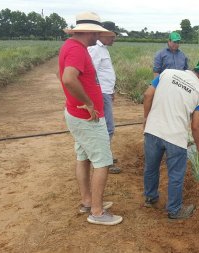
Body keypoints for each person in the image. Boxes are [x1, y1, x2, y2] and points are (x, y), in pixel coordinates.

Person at [59, 12, 123, 225]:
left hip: (78, 114)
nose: (99, 35)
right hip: (86, 117)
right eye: (97, 31)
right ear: (88, 31)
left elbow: (63, 76)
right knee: (103, 161)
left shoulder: (72, 47)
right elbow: (68, 78)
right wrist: (88, 102)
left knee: (83, 157)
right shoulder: (77, 50)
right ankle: (96, 212)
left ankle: (88, 201)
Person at [143, 61, 199, 219]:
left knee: (151, 166)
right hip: (175, 137)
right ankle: (174, 210)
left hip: (153, 129)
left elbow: (148, 95)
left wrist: (146, 118)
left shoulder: (166, 73)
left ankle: (150, 197)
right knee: (176, 174)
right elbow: (196, 126)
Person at [87, 21, 121, 174]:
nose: (114, 38)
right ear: (102, 33)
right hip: (100, 94)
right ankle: (103, 161)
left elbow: (102, 73)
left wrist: (110, 90)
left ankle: (104, 157)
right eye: (112, 35)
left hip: (105, 92)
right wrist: (98, 95)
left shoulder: (103, 49)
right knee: (107, 128)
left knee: (106, 127)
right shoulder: (95, 49)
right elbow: (91, 73)